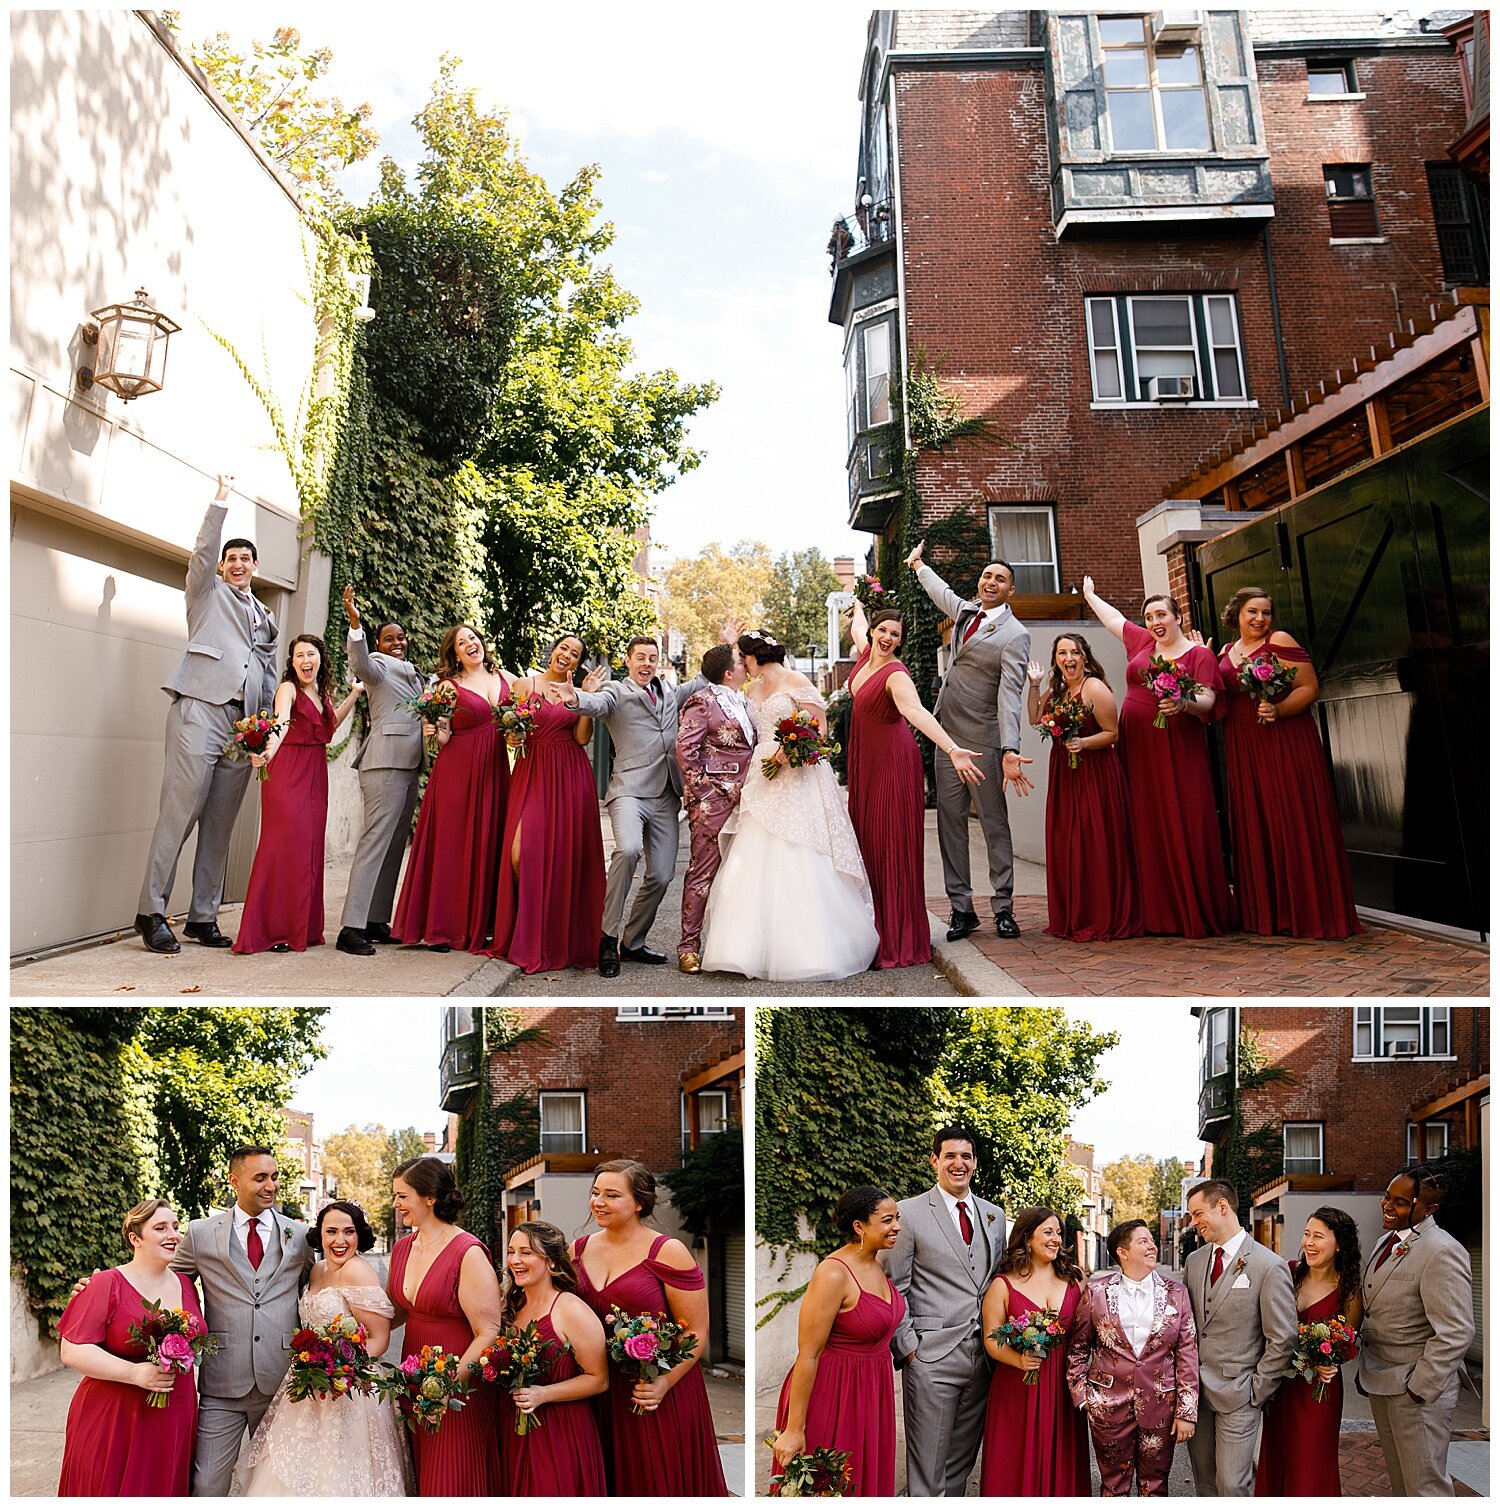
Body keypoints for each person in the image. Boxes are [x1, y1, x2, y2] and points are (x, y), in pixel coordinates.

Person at [136, 472, 279, 953]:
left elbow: (265, 669)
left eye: (245, 559)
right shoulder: (205, 593)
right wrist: (220, 503)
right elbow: (200, 554)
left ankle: (202, 916)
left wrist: (262, 729)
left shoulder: (266, 616)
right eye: (231, 559)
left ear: (255, 566)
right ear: (221, 567)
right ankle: (151, 911)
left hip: (242, 730)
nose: (238, 564)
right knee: (179, 813)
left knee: (220, 824)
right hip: (200, 710)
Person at [699, 630, 879, 981]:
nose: (743, 665)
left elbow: (820, 730)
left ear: (756, 656)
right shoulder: (751, 690)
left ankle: (811, 948)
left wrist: (791, 752)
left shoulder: (796, 680)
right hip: (762, 778)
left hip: (798, 777)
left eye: (744, 658)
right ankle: (740, 949)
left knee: (799, 849)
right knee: (754, 853)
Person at [1081, 576, 1234, 937]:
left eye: (1161, 614)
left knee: (1185, 815)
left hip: (1179, 746)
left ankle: (1187, 907)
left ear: (1178, 617)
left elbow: (1208, 700)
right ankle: (1151, 911)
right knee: (1143, 819)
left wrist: (1184, 702)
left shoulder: (1199, 654)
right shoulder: (1143, 642)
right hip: (1137, 747)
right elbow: (1114, 620)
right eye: (1149, 616)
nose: (1154, 622)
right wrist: (1090, 595)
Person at [572, 1159, 728, 1496]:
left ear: (639, 1202)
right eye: (595, 1192)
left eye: (612, 1195)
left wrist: (664, 1382)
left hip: (654, 1390)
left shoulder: (667, 1252)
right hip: (596, 1389)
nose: (598, 1201)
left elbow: (696, 1330)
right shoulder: (577, 1251)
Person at [1214, 586, 1362, 939]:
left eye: (1265, 612)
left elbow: (1310, 688)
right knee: (1258, 817)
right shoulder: (1225, 651)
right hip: (1243, 745)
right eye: (1252, 611)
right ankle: (1270, 911)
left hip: (1284, 739)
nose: (1260, 619)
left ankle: (1309, 910)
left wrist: (1279, 709)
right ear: (1237, 613)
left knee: (1290, 814)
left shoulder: (1279, 640)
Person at [236, 1200, 413, 1496]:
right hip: (311, 1385)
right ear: (320, 1235)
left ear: (359, 1236)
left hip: (351, 1390)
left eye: (349, 1232)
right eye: (331, 1231)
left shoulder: (359, 1272)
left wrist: (339, 1370)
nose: (340, 1241)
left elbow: (379, 1340)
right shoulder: (317, 1270)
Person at [905, 540, 1034, 941]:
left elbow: (1010, 696)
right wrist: (918, 566)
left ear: (1011, 590)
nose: (991, 582)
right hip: (948, 738)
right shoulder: (965, 612)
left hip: (985, 742)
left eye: (1000, 579)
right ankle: (962, 908)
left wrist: (1010, 748)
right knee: (950, 826)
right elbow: (942, 592)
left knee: (994, 825)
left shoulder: (1015, 634)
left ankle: (1004, 907)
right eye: (987, 576)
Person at [847, 602, 985, 969]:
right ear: (873, 632)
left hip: (893, 764)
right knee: (867, 844)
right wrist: (859, 605)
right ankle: (872, 930)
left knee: (888, 845)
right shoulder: (864, 655)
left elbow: (916, 713)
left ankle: (897, 937)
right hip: (867, 764)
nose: (888, 638)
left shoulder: (896, 675)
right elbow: (856, 626)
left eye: (896, 634)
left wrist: (952, 748)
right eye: (884, 631)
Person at [547, 637, 683, 977]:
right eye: (640, 657)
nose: (646, 663)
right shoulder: (616, 691)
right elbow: (597, 702)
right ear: (628, 660)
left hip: (666, 795)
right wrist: (574, 697)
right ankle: (607, 938)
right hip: (629, 793)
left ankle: (633, 942)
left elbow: (704, 682)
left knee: (663, 874)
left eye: (652, 658)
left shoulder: (670, 692)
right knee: (628, 850)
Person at [887, 1127, 1005, 1497]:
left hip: (983, 1357)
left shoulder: (994, 1215)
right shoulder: (907, 1213)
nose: (959, 1163)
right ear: (935, 1160)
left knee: (961, 1462)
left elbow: (998, 1278)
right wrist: (909, 1349)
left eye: (966, 1156)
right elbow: (894, 1286)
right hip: (930, 1354)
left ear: (975, 1163)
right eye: (950, 1156)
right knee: (927, 1467)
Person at [57, 1200, 204, 1495]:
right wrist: (135, 1373)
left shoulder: (187, 1284)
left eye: (175, 1227)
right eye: (160, 1228)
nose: (173, 1234)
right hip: (117, 1414)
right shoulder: (105, 1283)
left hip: (174, 1412)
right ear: (135, 1238)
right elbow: (72, 1349)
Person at [772, 1186, 905, 1498]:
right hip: (834, 1394)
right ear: (859, 1226)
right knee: (832, 1486)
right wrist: (794, 1429)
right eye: (887, 1220)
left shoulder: (876, 1264)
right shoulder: (833, 1273)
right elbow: (808, 1353)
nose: (896, 1226)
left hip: (872, 1390)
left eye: (897, 1218)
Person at [231, 635, 361, 954]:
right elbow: (282, 724)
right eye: (299, 654)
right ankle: (269, 930)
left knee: (309, 849)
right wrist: (266, 753)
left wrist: (355, 694)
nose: (305, 659)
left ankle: (298, 928)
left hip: (316, 775)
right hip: (287, 771)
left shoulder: (319, 692)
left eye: (311, 653)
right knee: (281, 847)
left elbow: (329, 728)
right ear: (292, 662)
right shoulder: (288, 689)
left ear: (320, 659)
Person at [488, 634, 609, 972]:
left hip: (570, 774)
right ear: (553, 651)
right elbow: (511, 729)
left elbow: (582, 738)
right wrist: (513, 735)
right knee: (519, 854)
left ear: (577, 662)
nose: (566, 656)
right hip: (532, 770)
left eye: (574, 654)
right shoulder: (525, 684)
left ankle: (554, 938)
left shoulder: (578, 692)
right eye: (563, 649)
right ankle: (526, 932)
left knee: (563, 858)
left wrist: (587, 697)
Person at [385, 1155, 503, 1495]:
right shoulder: (403, 1247)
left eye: (402, 1195)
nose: (396, 1203)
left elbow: (489, 1331)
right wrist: (355, 1341)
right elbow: (402, 1311)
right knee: (423, 1477)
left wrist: (445, 1389)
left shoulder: (467, 1251)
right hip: (414, 1380)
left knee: (451, 1479)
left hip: (456, 1385)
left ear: (429, 1198)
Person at [392, 624, 512, 952]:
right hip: (457, 772)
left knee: (490, 842)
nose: (470, 644)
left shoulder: (506, 678)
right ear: (455, 654)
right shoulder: (447, 687)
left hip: (495, 771)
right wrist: (431, 729)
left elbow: (526, 716)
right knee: (452, 846)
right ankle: (442, 927)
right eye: (462, 643)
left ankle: (482, 923)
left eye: (473, 638)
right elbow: (441, 738)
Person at [1358, 1165, 1475, 1496]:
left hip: (1417, 1391)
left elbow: (1456, 1331)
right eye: (1386, 1196)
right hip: (1381, 1381)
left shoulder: (1442, 1250)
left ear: (1429, 1209)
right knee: (1400, 1483)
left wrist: (1418, 1389)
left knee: (1425, 1488)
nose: (1386, 1206)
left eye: (1400, 1202)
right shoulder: (1385, 1241)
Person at [1183, 1178, 1298, 1496]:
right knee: (1205, 1482)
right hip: (1197, 1395)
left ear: (1222, 1207)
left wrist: (1256, 1390)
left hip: (1240, 1395)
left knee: (1232, 1485)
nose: (1193, 1223)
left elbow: (1283, 1338)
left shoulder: (1268, 1266)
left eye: (1197, 1213)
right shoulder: (1193, 1263)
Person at [1067, 1219, 1198, 1496]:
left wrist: (1187, 1411)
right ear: (1122, 1252)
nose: (1152, 1246)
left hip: (1161, 1404)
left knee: (1156, 1487)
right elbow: (1077, 1349)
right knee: (1113, 1486)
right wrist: (1084, 1397)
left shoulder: (1177, 1294)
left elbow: (1187, 1353)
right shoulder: (1096, 1292)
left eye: (1152, 1241)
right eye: (1143, 1241)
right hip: (1107, 1406)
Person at [1025, 632, 1141, 941]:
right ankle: (1075, 914)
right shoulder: (1059, 690)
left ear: (1084, 656)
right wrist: (1035, 684)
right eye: (1062, 653)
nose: (1068, 659)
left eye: (1074, 652)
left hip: (1095, 775)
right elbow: (1036, 718)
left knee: (1093, 842)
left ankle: (1101, 914)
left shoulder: (1094, 688)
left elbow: (1112, 733)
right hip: (1065, 775)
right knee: (1070, 841)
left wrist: (1083, 742)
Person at [337, 584, 427, 956]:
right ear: (379, 641)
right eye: (390, 638)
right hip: (383, 763)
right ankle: (350, 928)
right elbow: (359, 664)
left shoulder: (415, 674)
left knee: (393, 846)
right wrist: (355, 624)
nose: (397, 642)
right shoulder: (376, 666)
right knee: (375, 842)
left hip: (410, 764)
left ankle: (375, 920)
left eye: (401, 637)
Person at [979, 1206, 1090, 1494]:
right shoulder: (1003, 1285)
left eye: (1058, 1233)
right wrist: (1019, 1359)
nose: (1056, 1238)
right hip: (1018, 1386)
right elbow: (992, 1339)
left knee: (1064, 1456)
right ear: (1027, 1238)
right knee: (1014, 1461)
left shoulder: (1075, 1279)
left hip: (1064, 1387)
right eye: (1048, 1232)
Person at [1255, 1205, 1363, 1496]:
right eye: (1306, 1234)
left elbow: (1347, 1340)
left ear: (1339, 1244)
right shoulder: (1288, 1273)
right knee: (1275, 1453)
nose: (1309, 1243)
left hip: (1319, 1390)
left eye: (1318, 1236)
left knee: (1310, 1460)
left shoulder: (1350, 1289)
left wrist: (1333, 1361)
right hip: (1280, 1384)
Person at [496, 1221, 608, 1494]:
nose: (515, 1260)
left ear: (553, 1262)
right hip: (512, 1430)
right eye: (511, 1251)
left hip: (560, 1431)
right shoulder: (510, 1306)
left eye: (526, 1252)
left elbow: (599, 1379)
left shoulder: (571, 1309)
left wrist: (543, 1394)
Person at [674, 643, 756, 974]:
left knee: (741, 873)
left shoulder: (744, 701)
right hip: (714, 800)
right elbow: (684, 749)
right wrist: (706, 792)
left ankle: (735, 946)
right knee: (703, 871)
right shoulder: (703, 701)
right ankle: (688, 947)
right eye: (741, 661)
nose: (746, 665)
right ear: (728, 672)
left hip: (748, 797)